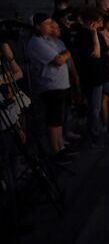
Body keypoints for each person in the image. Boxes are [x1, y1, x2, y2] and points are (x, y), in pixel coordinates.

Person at [73, 9, 109, 145]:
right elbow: (95, 53)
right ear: (91, 23)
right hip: (92, 77)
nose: (101, 24)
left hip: (103, 75)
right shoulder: (81, 37)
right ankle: (94, 137)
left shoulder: (99, 35)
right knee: (94, 109)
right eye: (99, 22)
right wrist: (93, 35)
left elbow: (105, 53)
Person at [26, 14, 74, 162]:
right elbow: (58, 60)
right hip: (50, 86)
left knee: (58, 119)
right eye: (47, 24)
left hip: (60, 85)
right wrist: (68, 52)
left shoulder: (49, 41)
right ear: (37, 26)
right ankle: (56, 150)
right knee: (53, 120)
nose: (50, 26)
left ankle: (61, 146)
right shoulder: (36, 43)